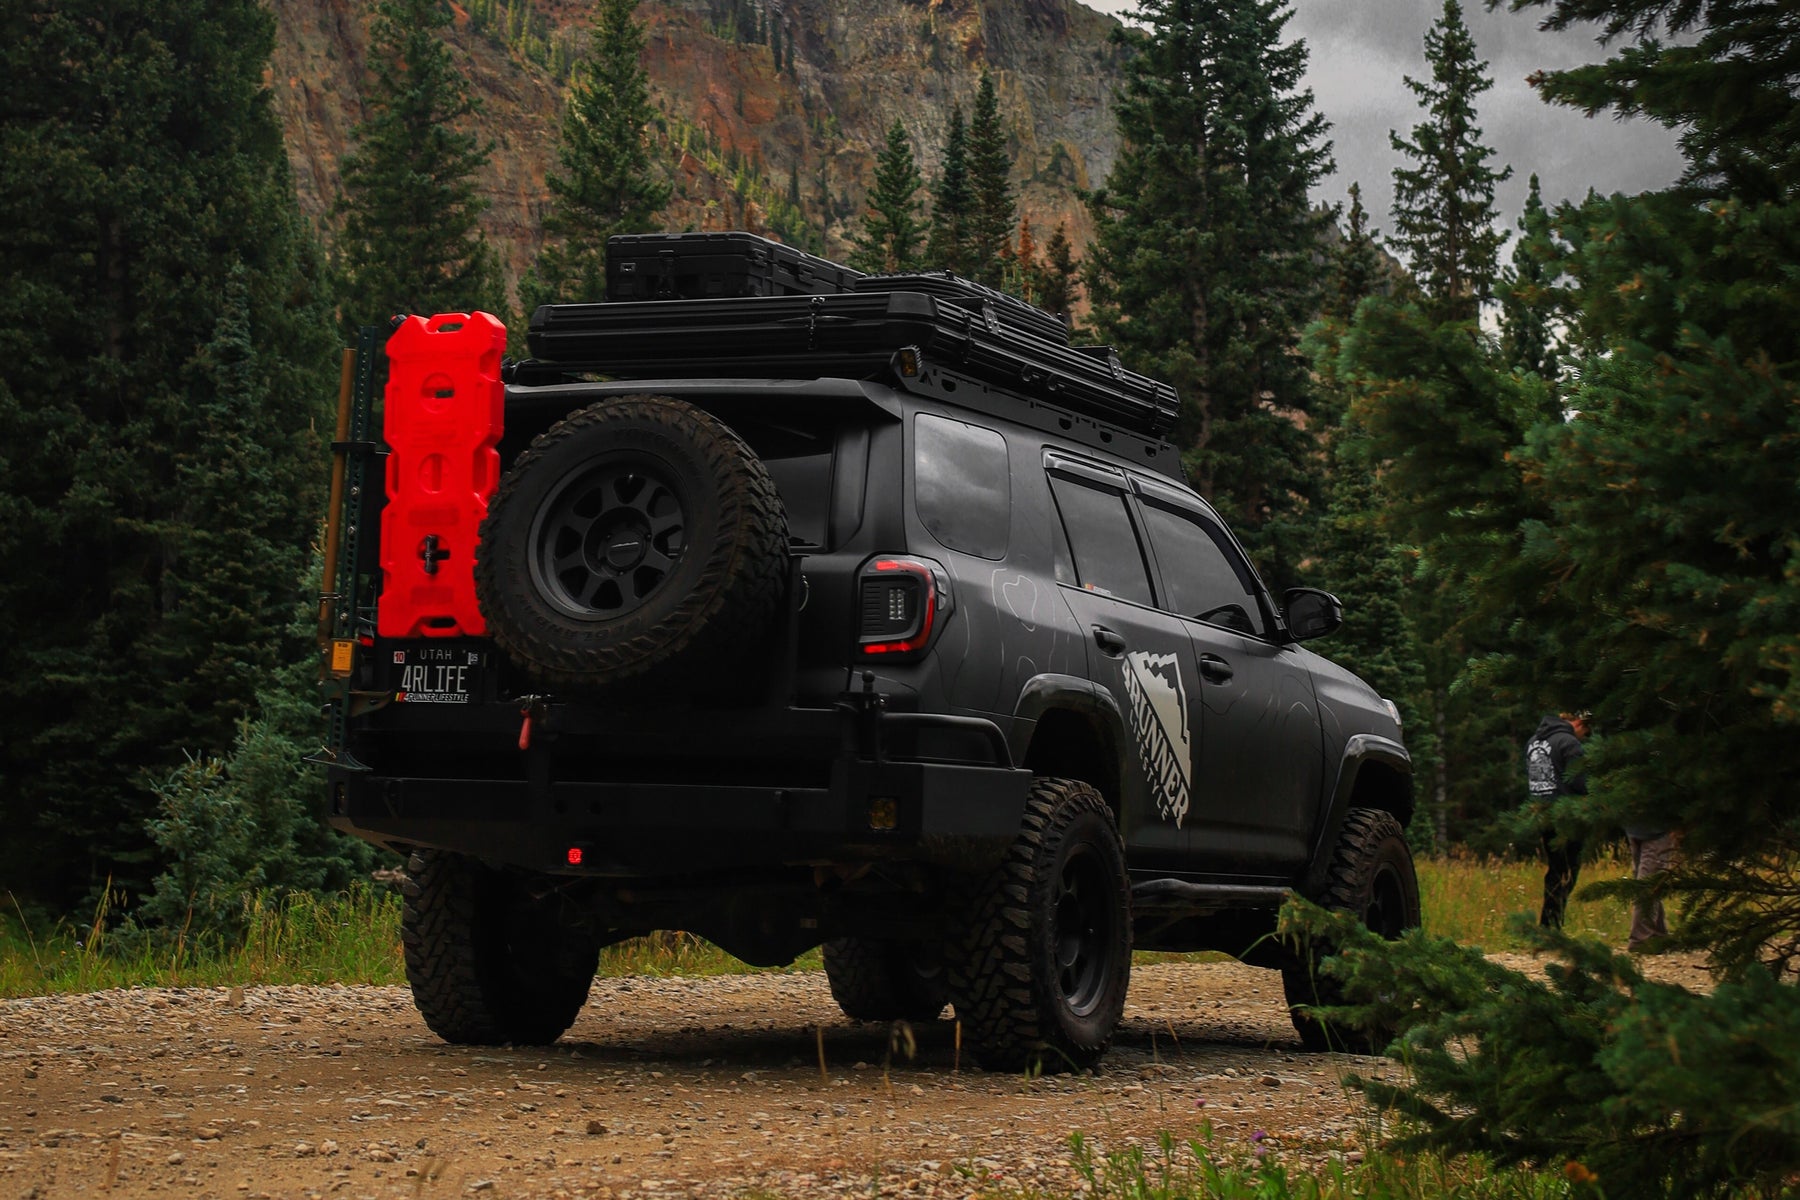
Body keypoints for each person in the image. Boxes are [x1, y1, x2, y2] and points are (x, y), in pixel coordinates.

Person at [1524, 710, 1589, 928]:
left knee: (1555, 868)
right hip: (1567, 815)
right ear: (1578, 722)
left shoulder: (1533, 742)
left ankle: (1549, 924)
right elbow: (1580, 782)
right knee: (1567, 872)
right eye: (1586, 731)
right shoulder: (1568, 743)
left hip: (1542, 812)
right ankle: (1550, 925)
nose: (1584, 736)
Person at [1625, 817, 1676, 951]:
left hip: (1634, 826)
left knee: (1647, 880)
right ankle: (1641, 938)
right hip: (1656, 828)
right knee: (1648, 884)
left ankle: (1657, 934)